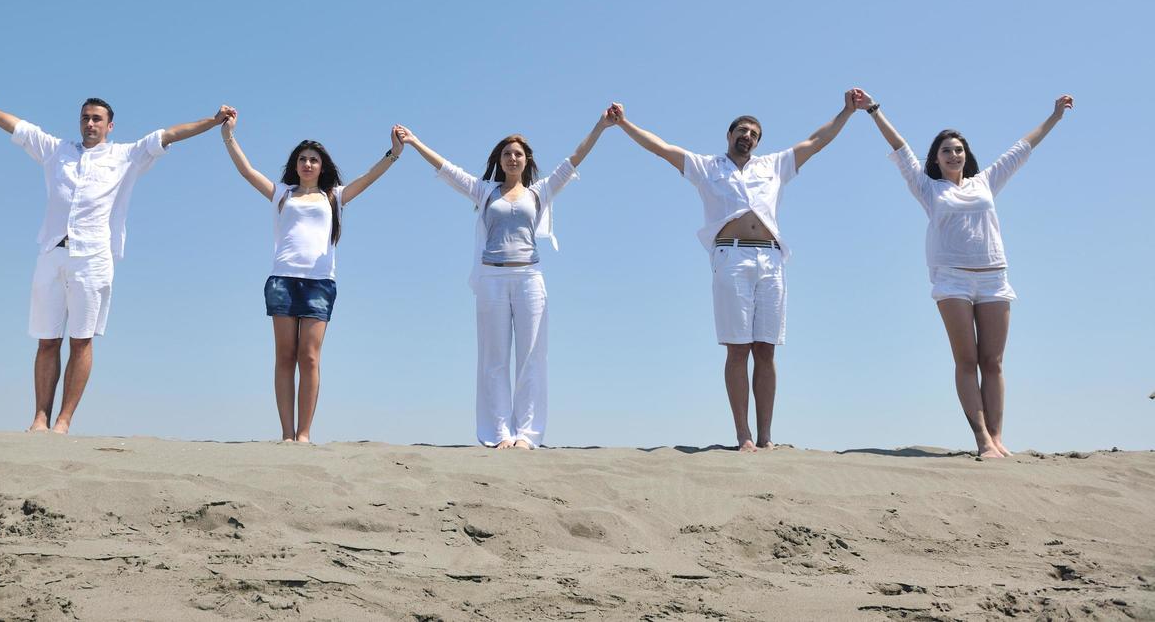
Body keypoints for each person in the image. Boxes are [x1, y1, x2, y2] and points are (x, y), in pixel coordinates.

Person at [0, 93, 231, 434]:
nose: (90, 123)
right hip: (52, 252)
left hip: (93, 257)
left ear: (109, 125)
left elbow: (169, 134)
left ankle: (63, 420)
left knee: (81, 339)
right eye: (85, 117)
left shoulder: (125, 155)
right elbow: (19, 128)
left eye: (97, 119)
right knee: (46, 339)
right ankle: (40, 418)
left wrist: (211, 120)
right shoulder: (57, 150)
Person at [609, 93, 856, 452]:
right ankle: (744, 436)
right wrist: (624, 124)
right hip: (731, 258)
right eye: (742, 130)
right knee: (738, 350)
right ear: (729, 134)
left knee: (767, 350)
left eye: (755, 134)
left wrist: (846, 111)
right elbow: (661, 148)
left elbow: (815, 142)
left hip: (771, 260)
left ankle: (767, 436)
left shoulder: (773, 165)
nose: (748, 137)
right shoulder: (706, 166)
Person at [855, 91, 1074, 458]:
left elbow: (1023, 147)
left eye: (958, 149)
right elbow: (900, 146)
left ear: (966, 155)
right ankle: (982, 440)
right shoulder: (927, 187)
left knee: (993, 362)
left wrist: (1054, 117)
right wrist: (874, 111)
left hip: (994, 277)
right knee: (967, 360)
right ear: (936, 159)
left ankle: (998, 437)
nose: (953, 155)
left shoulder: (986, 181)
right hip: (952, 280)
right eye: (946, 151)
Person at [395, 112, 613, 449]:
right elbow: (447, 169)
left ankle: (527, 434)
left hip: (529, 277)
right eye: (507, 154)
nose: (513, 158)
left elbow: (574, 159)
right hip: (491, 278)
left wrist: (600, 126)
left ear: (527, 162)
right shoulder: (484, 191)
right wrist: (414, 142)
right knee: (493, 358)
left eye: (519, 154)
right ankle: (498, 433)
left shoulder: (540, 192)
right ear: (499, 160)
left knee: (531, 357)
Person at [219, 110, 405, 442]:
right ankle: (287, 433)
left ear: (322, 166)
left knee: (309, 356)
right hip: (282, 281)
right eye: (303, 159)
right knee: (285, 356)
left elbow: (368, 178)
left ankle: (305, 433)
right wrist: (229, 136)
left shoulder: (334, 197)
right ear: (295, 165)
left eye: (314, 160)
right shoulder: (281, 194)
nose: (308, 164)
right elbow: (247, 171)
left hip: (320, 283)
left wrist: (393, 153)